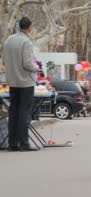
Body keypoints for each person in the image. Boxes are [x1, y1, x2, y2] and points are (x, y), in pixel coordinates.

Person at [2, 17, 39, 152]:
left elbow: (5, 61)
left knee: (13, 112)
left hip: (12, 81)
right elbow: (27, 64)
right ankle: (24, 143)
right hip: (25, 82)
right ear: (29, 27)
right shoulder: (26, 42)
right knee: (24, 112)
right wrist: (37, 68)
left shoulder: (8, 40)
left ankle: (12, 143)